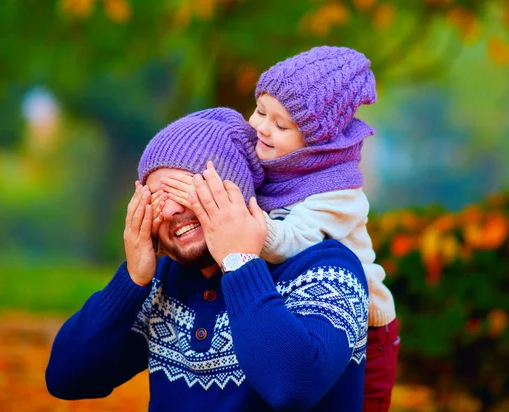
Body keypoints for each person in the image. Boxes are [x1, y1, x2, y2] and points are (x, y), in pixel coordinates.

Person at [45, 108, 370, 411]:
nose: (171, 210)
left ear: (235, 193)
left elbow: (294, 387)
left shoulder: (326, 268)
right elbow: (66, 378)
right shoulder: (161, 282)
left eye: (186, 192)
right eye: (157, 199)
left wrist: (240, 264)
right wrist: (131, 281)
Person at [161, 47, 399, 412]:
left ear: (317, 143)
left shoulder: (338, 192)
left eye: (281, 124)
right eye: (259, 110)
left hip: (363, 328)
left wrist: (235, 227)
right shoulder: (278, 161)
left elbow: (291, 239)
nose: (260, 126)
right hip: (297, 305)